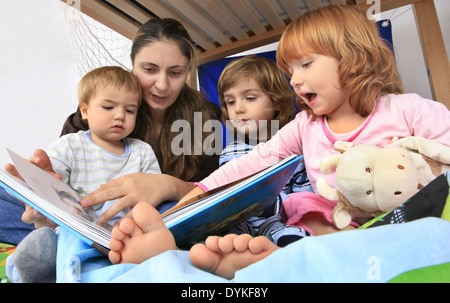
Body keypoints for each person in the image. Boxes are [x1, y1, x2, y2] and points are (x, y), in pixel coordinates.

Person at [105, 5, 450, 279]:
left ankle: (281, 261)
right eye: (291, 72)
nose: (296, 80)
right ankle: (274, 262)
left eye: (306, 64)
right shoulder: (306, 125)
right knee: (305, 211)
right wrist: (194, 197)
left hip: (403, 212)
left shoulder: (407, 109)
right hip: (337, 224)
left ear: (353, 57)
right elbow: (252, 163)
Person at [5, 18, 221, 232]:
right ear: (133, 65)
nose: (162, 85)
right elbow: (62, 181)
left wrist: (168, 186)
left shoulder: (206, 116)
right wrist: (44, 194)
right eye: (149, 69)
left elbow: (215, 193)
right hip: (87, 219)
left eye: (175, 73)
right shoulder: (99, 112)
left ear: (187, 71)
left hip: (155, 217)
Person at [9, 66, 162, 282]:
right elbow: (52, 173)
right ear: (85, 110)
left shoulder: (142, 150)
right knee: (57, 239)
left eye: (130, 110)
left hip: (128, 234)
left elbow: (155, 194)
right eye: (108, 107)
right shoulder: (72, 144)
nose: (120, 115)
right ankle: (45, 264)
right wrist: (38, 179)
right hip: (81, 230)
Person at [215, 55, 312, 245]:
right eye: (230, 102)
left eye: (250, 98)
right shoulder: (228, 153)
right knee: (220, 235)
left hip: (279, 221)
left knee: (290, 234)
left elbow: (306, 199)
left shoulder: (295, 148)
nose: (238, 109)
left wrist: (270, 206)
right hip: (239, 225)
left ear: (276, 101)